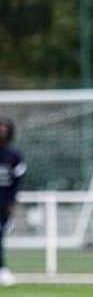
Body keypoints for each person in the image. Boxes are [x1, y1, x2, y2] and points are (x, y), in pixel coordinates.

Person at [0, 118, 26, 287]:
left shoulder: (14, 155)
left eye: (4, 128)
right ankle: (3, 269)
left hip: (4, 203)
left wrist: (12, 201)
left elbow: (18, 179)